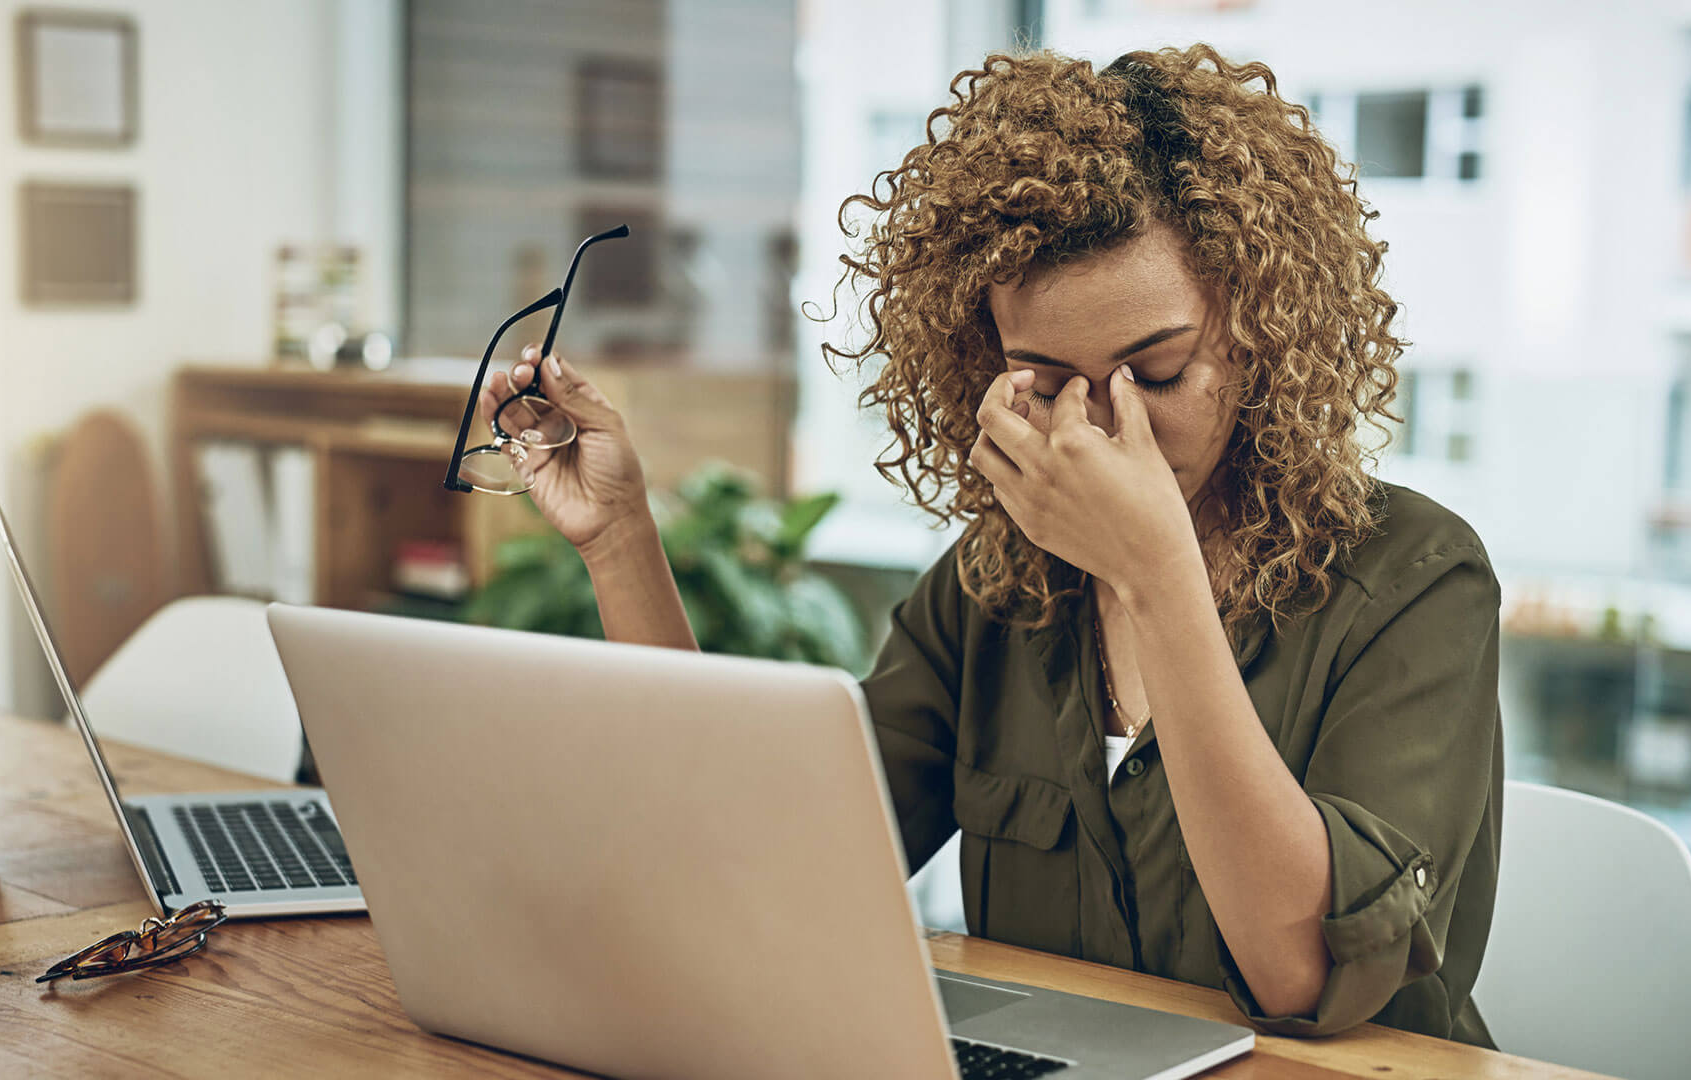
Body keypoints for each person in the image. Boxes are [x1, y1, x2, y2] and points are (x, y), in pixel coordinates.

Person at [476, 44, 1501, 1047]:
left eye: (1158, 371)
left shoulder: (1415, 580)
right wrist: (620, 540)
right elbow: (750, 868)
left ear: (1257, 327)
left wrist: (1156, 578)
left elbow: (1300, 976)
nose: (1101, 428)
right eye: (1046, 384)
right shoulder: (998, 585)